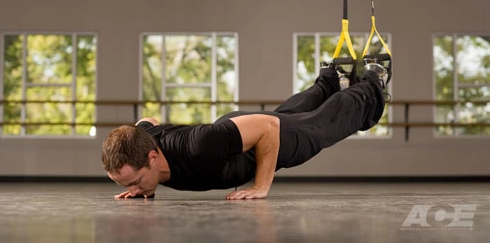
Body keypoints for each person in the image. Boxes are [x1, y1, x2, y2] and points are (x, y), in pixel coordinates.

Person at [101, 60, 390, 200]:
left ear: (152, 157)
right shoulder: (141, 140)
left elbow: (269, 127)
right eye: (126, 185)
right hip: (235, 132)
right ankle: (331, 78)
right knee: (292, 114)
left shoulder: (197, 146)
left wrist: (261, 186)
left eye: (135, 181)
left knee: (319, 127)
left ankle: (373, 81)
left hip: (258, 139)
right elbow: (146, 121)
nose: (133, 189)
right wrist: (142, 189)